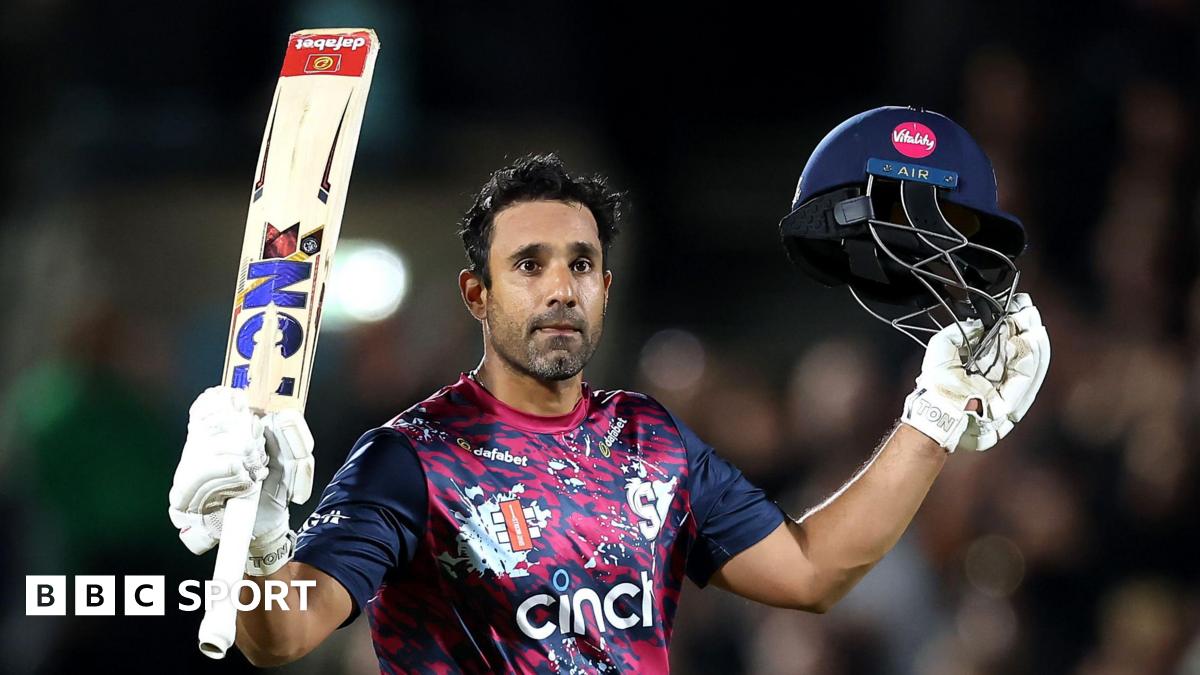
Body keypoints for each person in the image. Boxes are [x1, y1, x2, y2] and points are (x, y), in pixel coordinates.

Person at [169, 114, 1050, 672]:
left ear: (606, 289)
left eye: (581, 264)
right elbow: (281, 636)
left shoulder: (651, 441)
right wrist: (250, 548)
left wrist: (935, 416)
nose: (560, 288)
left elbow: (813, 571)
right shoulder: (411, 459)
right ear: (476, 294)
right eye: (529, 265)